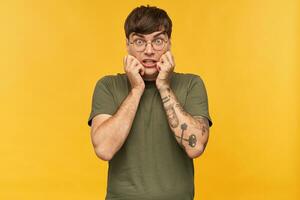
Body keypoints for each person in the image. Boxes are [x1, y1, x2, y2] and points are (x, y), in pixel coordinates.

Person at [87, 5, 213, 200]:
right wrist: (136, 89)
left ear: (169, 44)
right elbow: (104, 149)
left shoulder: (191, 84)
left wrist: (164, 85)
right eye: (139, 41)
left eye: (158, 41)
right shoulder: (108, 86)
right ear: (127, 45)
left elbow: (195, 147)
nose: (149, 50)